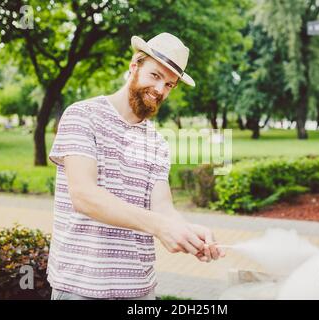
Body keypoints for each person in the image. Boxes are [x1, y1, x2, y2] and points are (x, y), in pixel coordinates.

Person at [47, 32, 225, 300]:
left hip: (139, 290)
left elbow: (162, 208)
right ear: (134, 66)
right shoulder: (82, 116)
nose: (160, 90)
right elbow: (84, 196)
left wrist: (187, 233)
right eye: (155, 76)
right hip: (80, 287)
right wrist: (159, 227)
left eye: (169, 84)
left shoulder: (157, 143)